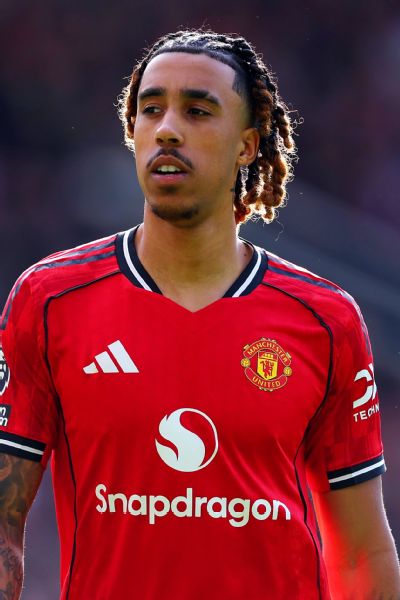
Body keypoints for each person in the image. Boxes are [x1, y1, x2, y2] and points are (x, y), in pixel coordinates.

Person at [0, 29, 398, 600]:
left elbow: (362, 553)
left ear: (247, 145)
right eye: (151, 109)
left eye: (197, 110)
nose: (167, 128)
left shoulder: (325, 320)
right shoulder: (49, 300)